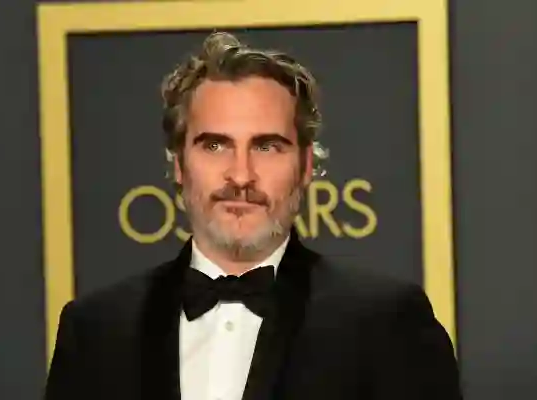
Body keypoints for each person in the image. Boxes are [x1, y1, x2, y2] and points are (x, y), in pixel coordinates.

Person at [45, 31, 462, 400]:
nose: (241, 175)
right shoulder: (96, 331)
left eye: (267, 146)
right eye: (214, 145)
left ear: (304, 167)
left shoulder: (388, 326)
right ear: (178, 163)